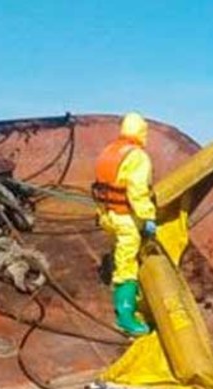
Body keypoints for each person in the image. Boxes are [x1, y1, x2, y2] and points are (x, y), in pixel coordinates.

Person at [91, 112, 156, 336]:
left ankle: (123, 289)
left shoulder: (109, 151)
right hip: (125, 218)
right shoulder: (137, 157)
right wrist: (148, 217)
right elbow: (137, 191)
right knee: (127, 264)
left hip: (107, 216)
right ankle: (125, 316)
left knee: (119, 252)